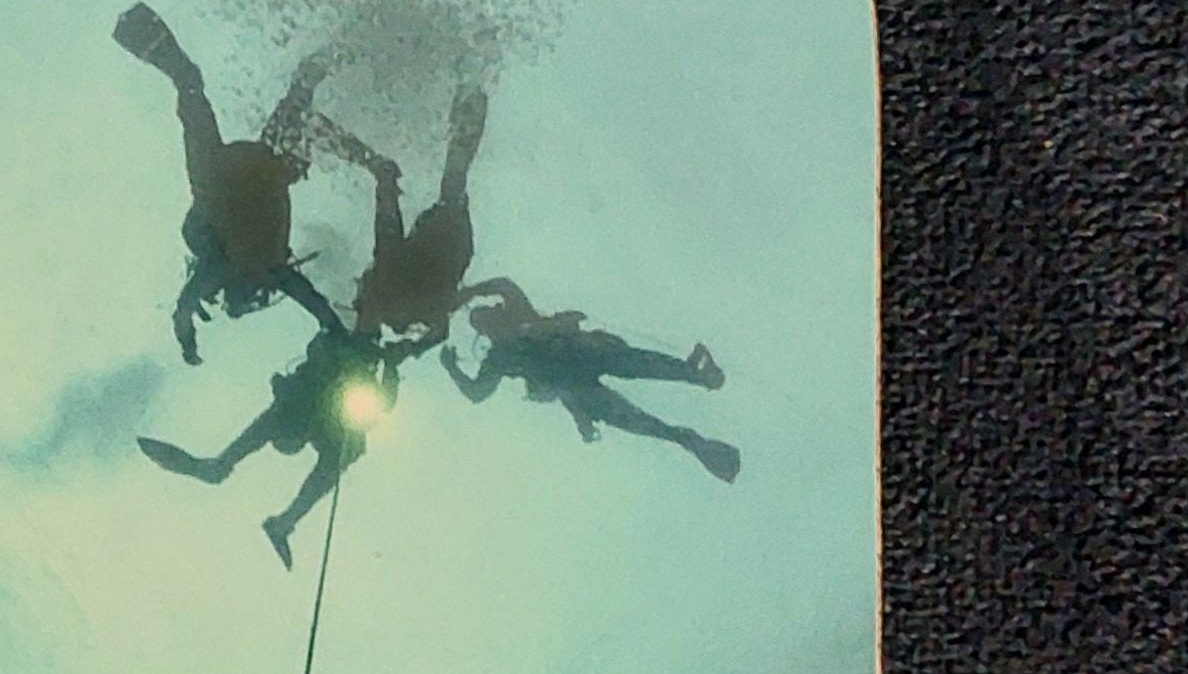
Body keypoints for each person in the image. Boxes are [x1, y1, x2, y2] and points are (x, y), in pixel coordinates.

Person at [110, 3, 344, 363]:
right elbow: (317, 306)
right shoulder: (265, 271)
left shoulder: (243, 269)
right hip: (241, 172)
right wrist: (337, 331)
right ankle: (342, 45)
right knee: (201, 84)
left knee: (203, 84)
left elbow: (184, 311)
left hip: (231, 174)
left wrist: (188, 343)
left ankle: (339, 47)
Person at [139, 323, 426, 565]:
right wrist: (388, 362)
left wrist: (387, 361)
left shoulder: (288, 412)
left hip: (331, 394)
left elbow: (380, 397)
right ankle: (279, 519)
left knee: (340, 446)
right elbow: (382, 398)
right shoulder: (298, 410)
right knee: (337, 446)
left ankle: (280, 519)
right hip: (328, 397)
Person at [442, 278, 740, 479]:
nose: (491, 322)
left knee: (633, 369)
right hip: (577, 377)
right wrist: (452, 366)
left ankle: (695, 379)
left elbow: (503, 287)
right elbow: (476, 393)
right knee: (633, 388)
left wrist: (466, 298)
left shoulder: (508, 338)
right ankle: (694, 408)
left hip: (579, 367)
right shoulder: (503, 348)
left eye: (487, 316)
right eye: (485, 321)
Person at [318, 81, 490, 341]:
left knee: (453, 186)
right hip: (446, 246)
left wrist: (410, 348)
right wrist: (383, 180)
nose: (359, 281)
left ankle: (472, 91)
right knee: (453, 183)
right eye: (359, 292)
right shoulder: (386, 283)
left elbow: (440, 327)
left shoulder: (398, 310)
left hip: (449, 251)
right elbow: (387, 228)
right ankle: (473, 90)